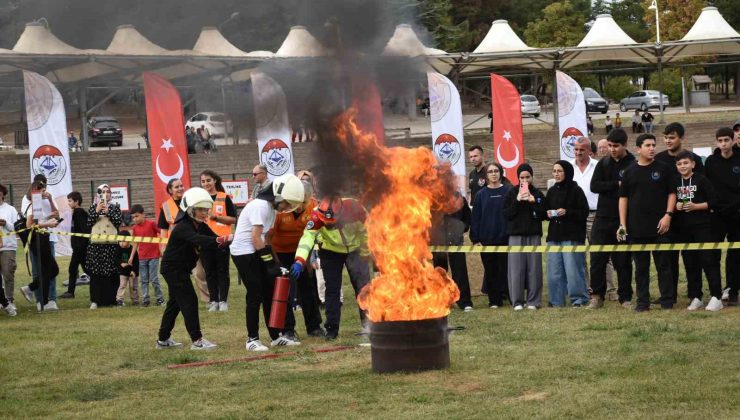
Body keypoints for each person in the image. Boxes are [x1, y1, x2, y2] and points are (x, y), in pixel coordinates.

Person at [231, 175, 305, 350]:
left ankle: (275, 336)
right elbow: (255, 237)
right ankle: (252, 339)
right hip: (243, 253)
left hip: (255, 250)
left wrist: (275, 263)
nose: (287, 207)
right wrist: (270, 264)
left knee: (268, 293)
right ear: (278, 197)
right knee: (255, 294)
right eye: (286, 202)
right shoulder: (260, 206)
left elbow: (266, 239)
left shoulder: (271, 210)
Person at [157, 187, 231, 350]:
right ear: (191, 210)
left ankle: (163, 339)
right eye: (201, 209)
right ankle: (197, 341)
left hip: (180, 269)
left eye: (206, 209)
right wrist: (223, 240)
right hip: (173, 269)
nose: (205, 213)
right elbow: (201, 240)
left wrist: (228, 241)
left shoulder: (200, 225)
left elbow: (214, 239)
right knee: (189, 300)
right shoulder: (184, 226)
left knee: (175, 304)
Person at [290, 193, 371, 341]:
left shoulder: (355, 208)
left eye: (331, 223)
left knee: (363, 287)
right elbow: (307, 238)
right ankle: (331, 329)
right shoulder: (316, 215)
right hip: (330, 251)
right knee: (332, 290)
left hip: (355, 249)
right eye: (326, 223)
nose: (328, 225)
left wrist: (365, 254)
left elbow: (367, 232)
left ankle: (369, 325)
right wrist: (300, 260)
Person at [619, 133, 676, 311]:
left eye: (653, 145)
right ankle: (643, 302)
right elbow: (623, 199)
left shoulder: (664, 168)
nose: (652, 148)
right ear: (638, 149)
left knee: (663, 266)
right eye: (648, 145)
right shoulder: (629, 171)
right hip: (637, 228)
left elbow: (672, 193)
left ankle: (667, 301)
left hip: (660, 227)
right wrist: (623, 224)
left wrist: (668, 215)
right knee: (641, 268)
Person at [656, 122, 704, 304]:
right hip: (668, 218)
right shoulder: (659, 159)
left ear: (681, 138)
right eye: (666, 137)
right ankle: (669, 296)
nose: (668, 141)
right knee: (668, 260)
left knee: (692, 258)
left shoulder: (695, 160)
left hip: (691, 218)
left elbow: (701, 185)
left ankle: (695, 294)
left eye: (672, 137)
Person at [588, 128, 635, 309]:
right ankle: (597, 296)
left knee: (622, 259)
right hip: (602, 217)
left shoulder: (632, 164)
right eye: (609, 146)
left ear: (625, 145)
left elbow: (631, 188)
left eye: (616, 146)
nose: (612, 149)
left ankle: (625, 297)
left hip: (622, 219)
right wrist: (616, 184)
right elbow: (594, 186)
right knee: (597, 258)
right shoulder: (603, 163)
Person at [270, 181, 325, 336]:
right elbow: (269, 238)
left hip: (301, 252)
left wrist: (306, 260)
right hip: (280, 252)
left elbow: (313, 234)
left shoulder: (313, 206)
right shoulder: (280, 210)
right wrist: (277, 263)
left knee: (307, 288)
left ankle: (314, 327)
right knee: (284, 291)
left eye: (304, 202)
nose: (300, 206)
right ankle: (287, 329)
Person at [672, 150, 722, 311]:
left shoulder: (702, 180)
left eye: (686, 163)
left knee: (709, 260)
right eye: (679, 164)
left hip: (703, 227)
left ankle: (716, 296)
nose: (683, 166)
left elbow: (714, 202)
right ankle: (696, 296)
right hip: (683, 229)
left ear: (693, 164)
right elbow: (669, 202)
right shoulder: (674, 182)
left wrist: (696, 206)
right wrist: (676, 206)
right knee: (690, 263)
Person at [545, 161, 590, 307]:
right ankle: (556, 301)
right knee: (554, 270)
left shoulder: (576, 190)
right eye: (554, 171)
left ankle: (579, 299)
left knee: (573, 270)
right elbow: (545, 211)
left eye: (559, 171)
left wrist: (567, 212)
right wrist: (548, 214)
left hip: (571, 235)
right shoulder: (551, 191)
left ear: (567, 172)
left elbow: (584, 212)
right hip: (554, 236)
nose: (556, 174)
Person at [704, 127, 740, 306]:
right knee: (712, 255)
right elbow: (707, 188)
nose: (724, 144)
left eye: (727, 140)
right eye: (720, 140)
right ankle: (715, 293)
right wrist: (714, 207)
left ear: (733, 140)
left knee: (735, 255)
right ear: (716, 142)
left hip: (737, 214)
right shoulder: (710, 161)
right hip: (716, 215)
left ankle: (733, 291)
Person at [502, 163, 546, 310]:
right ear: (518, 178)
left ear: (532, 177)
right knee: (516, 269)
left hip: (533, 235)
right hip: (515, 236)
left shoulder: (538, 194)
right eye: (522, 177)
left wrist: (533, 202)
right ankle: (517, 301)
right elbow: (506, 214)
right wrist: (518, 200)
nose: (525, 180)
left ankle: (533, 301)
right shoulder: (511, 192)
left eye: (528, 177)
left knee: (534, 269)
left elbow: (543, 215)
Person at [159, 178, 206, 305]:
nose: (180, 188)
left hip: (193, 243)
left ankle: (207, 299)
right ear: (170, 190)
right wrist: (163, 248)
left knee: (200, 273)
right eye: (176, 187)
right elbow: (163, 229)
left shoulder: (191, 202)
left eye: (181, 185)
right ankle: (174, 300)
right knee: (177, 277)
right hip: (176, 248)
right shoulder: (166, 206)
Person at [470, 162, 511, 308]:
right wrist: (475, 239)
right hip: (486, 240)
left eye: (496, 171)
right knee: (491, 270)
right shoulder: (481, 195)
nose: (493, 174)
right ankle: (494, 300)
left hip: (505, 239)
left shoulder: (508, 191)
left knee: (506, 269)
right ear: (486, 175)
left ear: (500, 173)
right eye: (490, 172)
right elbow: (475, 218)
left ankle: (510, 296)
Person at [18, 179, 61, 311]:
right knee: (51, 269)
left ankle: (34, 292)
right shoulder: (33, 205)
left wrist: (48, 219)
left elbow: (39, 221)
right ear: (35, 191)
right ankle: (38, 295)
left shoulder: (39, 204)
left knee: (49, 270)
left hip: (43, 238)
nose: (44, 192)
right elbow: (30, 225)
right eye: (42, 190)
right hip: (38, 239)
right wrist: (48, 224)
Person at [570, 137, 604, 295]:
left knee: (600, 254)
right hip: (576, 216)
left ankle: (608, 289)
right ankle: (585, 288)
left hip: (596, 214)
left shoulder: (599, 166)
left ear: (589, 151)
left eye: (581, 150)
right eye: (576, 149)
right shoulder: (569, 168)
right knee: (579, 254)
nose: (578, 152)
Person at [200, 170, 236, 312]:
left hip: (222, 241)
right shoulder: (200, 199)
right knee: (209, 272)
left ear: (215, 180)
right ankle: (213, 300)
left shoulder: (224, 197)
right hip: (205, 241)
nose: (206, 183)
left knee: (222, 271)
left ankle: (223, 301)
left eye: (208, 180)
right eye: (203, 181)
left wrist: (217, 218)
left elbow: (233, 219)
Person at [431, 191, 473, 311]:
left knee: (460, 271)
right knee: (440, 273)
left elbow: (467, 216)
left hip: (455, 242)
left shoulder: (458, 197)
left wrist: (462, 227)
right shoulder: (431, 198)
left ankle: (465, 302)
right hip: (438, 242)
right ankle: (442, 302)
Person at [86, 184, 123, 309]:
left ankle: (111, 300)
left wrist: (109, 212)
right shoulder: (92, 208)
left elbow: (118, 222)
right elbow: (89, 223)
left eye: (108, 192)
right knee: (96, 273)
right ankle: (95, 300)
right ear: (98, 194)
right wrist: (97, 211)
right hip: (96, 245)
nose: (106, 194)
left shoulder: (115, 208)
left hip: (111, 245)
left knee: (112, 273)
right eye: (103, 192)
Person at [129, 204, 163, 307]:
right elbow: (135, 243)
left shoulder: (152, 224)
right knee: (143, 280)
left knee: (154, 279)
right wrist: (131, 257)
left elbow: (162, 234)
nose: (135, 219)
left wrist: (162, 248)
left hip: (154, 256)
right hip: (142, 257)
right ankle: (145, 299)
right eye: (133, 217)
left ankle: (160, 298)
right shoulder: (134, 228)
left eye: (137, 216)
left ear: (143, 214)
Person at [60, 191, 89, 299]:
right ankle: (70, 292)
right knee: (83, 269)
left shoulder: (78, 213)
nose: (68, 203)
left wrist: (79, 245)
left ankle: (70, 292)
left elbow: (84, 230)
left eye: (70, 201)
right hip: (79, 247)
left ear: (76, 202)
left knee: (74, 269)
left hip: (80, 248)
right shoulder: (76, 212)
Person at [0, 183, 18, 313]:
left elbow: (16, 228)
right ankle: (2, 301)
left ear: (3, 195)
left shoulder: (10, 209)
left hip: (8, 246)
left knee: (8, 274)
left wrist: (5, 223)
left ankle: (9, 299)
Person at [116, 231, 139, 307]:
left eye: (123, 241)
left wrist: (133, 271)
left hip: (132, 272)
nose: (121, 243)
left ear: (129, 240)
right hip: (123, 272)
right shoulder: (119, 249)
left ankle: (135, 300)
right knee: (122, 285)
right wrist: (121, 263)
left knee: (133, 287)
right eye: (120, 241)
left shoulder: (133, 250)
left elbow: (136, 262)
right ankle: (119, 299)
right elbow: (116, 258)